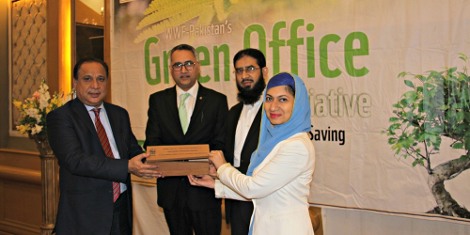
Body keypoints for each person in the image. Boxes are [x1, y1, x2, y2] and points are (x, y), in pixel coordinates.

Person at [189, 72, 316, 235]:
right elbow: (260, 192)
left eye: (283, 99)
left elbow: (252, 188)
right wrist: (216, 184)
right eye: (269, 98)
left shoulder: (297, 146)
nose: (273, 106)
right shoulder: (276, 141)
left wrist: (222, 167)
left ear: (297, 104)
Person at [46, 57, 161, 235]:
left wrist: (160, 159)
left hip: (121, 209)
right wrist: (127, 166)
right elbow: (75, 160)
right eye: (87, 79)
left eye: (101, 79)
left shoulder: (119, 114)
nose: (95, 85)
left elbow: (132, 151)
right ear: (75, 82)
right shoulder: (61, 117)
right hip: (85, 214)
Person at [144, 44, 228, 235]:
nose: (183, 70)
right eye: (177, 65)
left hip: (204, 190)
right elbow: (153, 141)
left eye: (188, 63)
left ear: (198, 66)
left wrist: (207, 168)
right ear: (170, 70)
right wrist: (159, 162)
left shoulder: (216, 100)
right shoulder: (158, 100)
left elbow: (221, 143)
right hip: (171, 193)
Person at [224, 48, 268, 235]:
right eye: (239, 71)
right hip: (235, 200)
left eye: (250, 69)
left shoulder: (273, 112)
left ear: (264, 72)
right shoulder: (232, 113)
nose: (244, 75)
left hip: (264, 201)